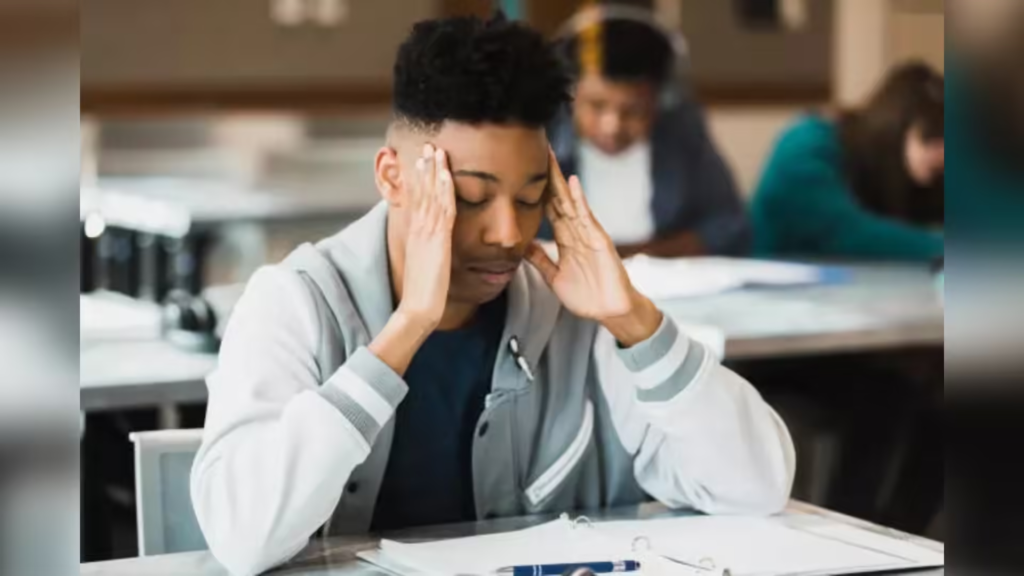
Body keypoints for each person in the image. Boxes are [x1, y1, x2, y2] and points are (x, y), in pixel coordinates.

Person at [190, 14, 795, 576]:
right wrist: (406, 330)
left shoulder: (578, 314)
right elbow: (243, 537)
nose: (507, 233)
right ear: (392, 177)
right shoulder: (294, 303)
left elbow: (756, 486)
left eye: (532, 198)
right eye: (473, 198)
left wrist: (633, 319)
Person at [544, 6, 750, 258]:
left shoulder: (681, 133)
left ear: (661, 101)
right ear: (570, 95)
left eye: (633, 111)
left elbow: (729, 223)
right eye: (596, 106)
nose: (613, 126)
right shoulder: (544, 139)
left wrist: (644, 255)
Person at [751, 62, 945, 261]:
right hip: (776, 287)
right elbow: (845, 235)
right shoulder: (804, 147)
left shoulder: (903, 181)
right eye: (933, 134)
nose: (943, 152)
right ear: (895, 124)